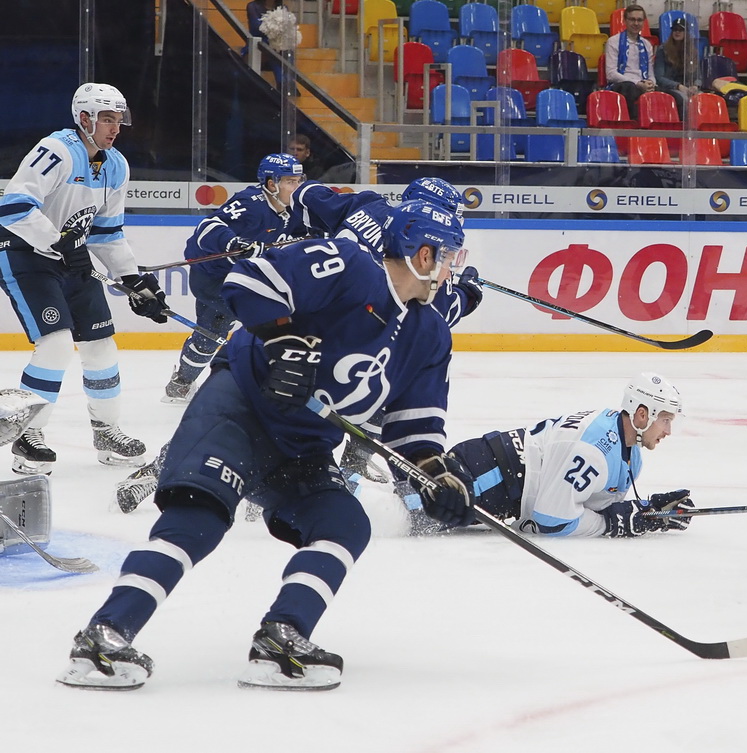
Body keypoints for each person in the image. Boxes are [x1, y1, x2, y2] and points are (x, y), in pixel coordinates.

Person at [57, 199, 474, 692]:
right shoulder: (349, 265)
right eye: (448, 256)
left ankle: (282, 637)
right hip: (240, 408)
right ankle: (104, 635)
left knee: (344, 524)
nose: (453, 270)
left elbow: (414, 428)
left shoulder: (429, 334)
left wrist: (435, 474)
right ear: (422, 255)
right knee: (199, 519)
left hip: (304, 443)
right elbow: (251, 280)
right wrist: (283, 341)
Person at [113, 176, 482, 511]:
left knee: (238, 413)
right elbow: (431, 316)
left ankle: (163, 467)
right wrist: (467, 293)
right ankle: (335, 481)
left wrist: (296, 235)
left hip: (299, 325)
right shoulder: (420, 260)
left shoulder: (366, 206)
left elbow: (305, 194)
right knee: (370, 403)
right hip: (349, 348)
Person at [0, 83, 169, 474]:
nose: (115, 127)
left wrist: (136, 282)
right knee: (57, 344)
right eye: (107, 119)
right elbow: (12, 206)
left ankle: (106, 431)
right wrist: (56, 241)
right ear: (84, 119)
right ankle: (28, 434)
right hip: (24, 253)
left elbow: (107, 233)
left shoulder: (116, 165)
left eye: (118, 119)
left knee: (100, 346)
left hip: (68, 257)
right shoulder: (57, 150)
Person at [403, 372, 695, 536]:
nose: (668, 430)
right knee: (400, 513)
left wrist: (645, 511)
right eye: (666, 420)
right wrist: (616, 522)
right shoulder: (593, 450)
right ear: (642, 414)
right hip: (486, 479)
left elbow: (584, 502)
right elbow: (551, 520)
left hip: (497, 476)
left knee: (405, 507)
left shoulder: (629, 452)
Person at [163, 153, 307, 404]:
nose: (297, 187)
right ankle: (255, 382)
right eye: (290, 182)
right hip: (214, 277)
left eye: (298, 180)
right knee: (257, 321)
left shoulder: (293, 209)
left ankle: (181, 384)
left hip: (247, 275)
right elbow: (207, 229)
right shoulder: (251, 204)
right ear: (272, 184)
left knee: (212, 329)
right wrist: (234, 243)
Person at [604, 4, 657, 119]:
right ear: (625, 21)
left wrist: (651, 84)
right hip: (622, 84)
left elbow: (651, 73)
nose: (636, 23)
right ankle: (634, 129)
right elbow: (611, 74)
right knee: (631, 89)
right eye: (632, 19)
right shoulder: (613, 41)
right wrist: (637, 83)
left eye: (639, 20)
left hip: (642, 83)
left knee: (670, 95)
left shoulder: (647, 44)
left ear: (643, 22)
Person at [653, 17, 701, 117]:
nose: (677, 32)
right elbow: (659, 77)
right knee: (684, 99)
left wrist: (695, 85)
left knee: (702, 98)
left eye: (681, 30)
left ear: (686, 32)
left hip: (687, 87)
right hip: (669, 87)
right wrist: (678, 86)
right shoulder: (663, 49)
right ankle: (684, 126)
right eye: (675, 29)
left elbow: (698, 76)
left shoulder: (692, 51)